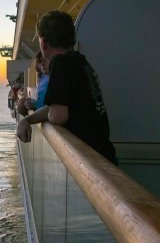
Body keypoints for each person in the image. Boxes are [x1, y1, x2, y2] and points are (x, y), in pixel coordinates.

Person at [16, 10, 117, 165]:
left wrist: (40, 116)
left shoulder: (61, 63)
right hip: (102, 155)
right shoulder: (79, 60)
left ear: (43, 43)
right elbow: (55, 107)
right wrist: (27, 120)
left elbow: (57, 116)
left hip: (93, 161)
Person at [17, 51, 49, 116]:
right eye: (40, 61)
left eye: (45, 60)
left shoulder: (54, 78)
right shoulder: (43, 78)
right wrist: (31, 105)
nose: (42, 63)